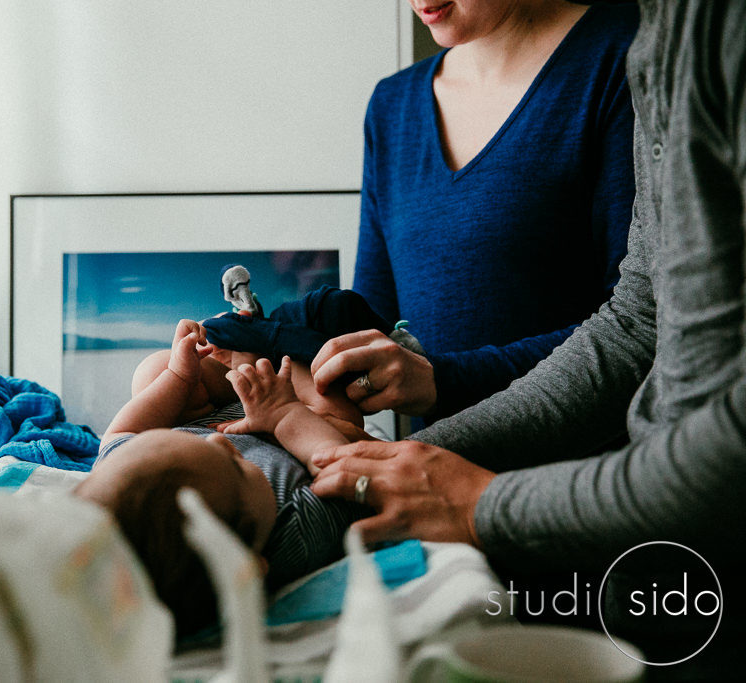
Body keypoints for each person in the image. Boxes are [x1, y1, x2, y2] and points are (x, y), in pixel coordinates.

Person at [309, 1, 744, 673]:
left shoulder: (671, 38)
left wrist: (479, 496)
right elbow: (638, 320)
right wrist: (406, 460)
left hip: (634, 528)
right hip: (641, 536)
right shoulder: (662, 36)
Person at [334, 0, 638, 424]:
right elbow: (366, 321)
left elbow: (642, 328)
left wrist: (444, 380)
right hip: (427, 479)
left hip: (581, 480)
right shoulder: (393, 105)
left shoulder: (626, 57)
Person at [73, 318, 373, 638]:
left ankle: (228, 377)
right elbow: (346, 469)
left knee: (152, 369)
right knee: (343, 417)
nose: (220, 443)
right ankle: (257, 365)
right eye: (237, 467)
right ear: (250, 567)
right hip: (290, 418)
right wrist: (285, 414)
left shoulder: (121, 469)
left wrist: (178, 377)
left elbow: (121, 433)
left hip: (207, 413)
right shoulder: (293, 529)